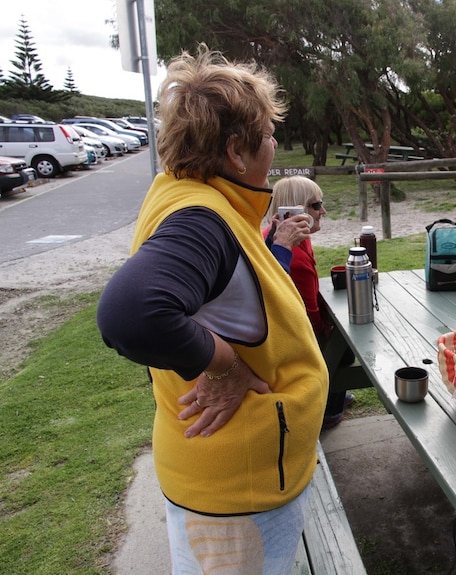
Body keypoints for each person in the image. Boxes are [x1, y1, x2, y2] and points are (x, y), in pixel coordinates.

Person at [96, 47, 328, 572]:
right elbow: (129, 312)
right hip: (237, 490)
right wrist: (222, 364)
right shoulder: (202, 218)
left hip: (221, 477)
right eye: (268, 133)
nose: (275, 143)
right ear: (236, 152)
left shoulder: (186, 194)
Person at [262, 176, 356, 429]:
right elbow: (309, 316)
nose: (323, 210)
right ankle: (328, 408)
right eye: (316, 206)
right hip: (292, 338)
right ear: (297, 208)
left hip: (282, 330)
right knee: (344, 347)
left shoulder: (287, 238)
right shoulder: (294, 256)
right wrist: (332, 331)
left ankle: (334, 391)